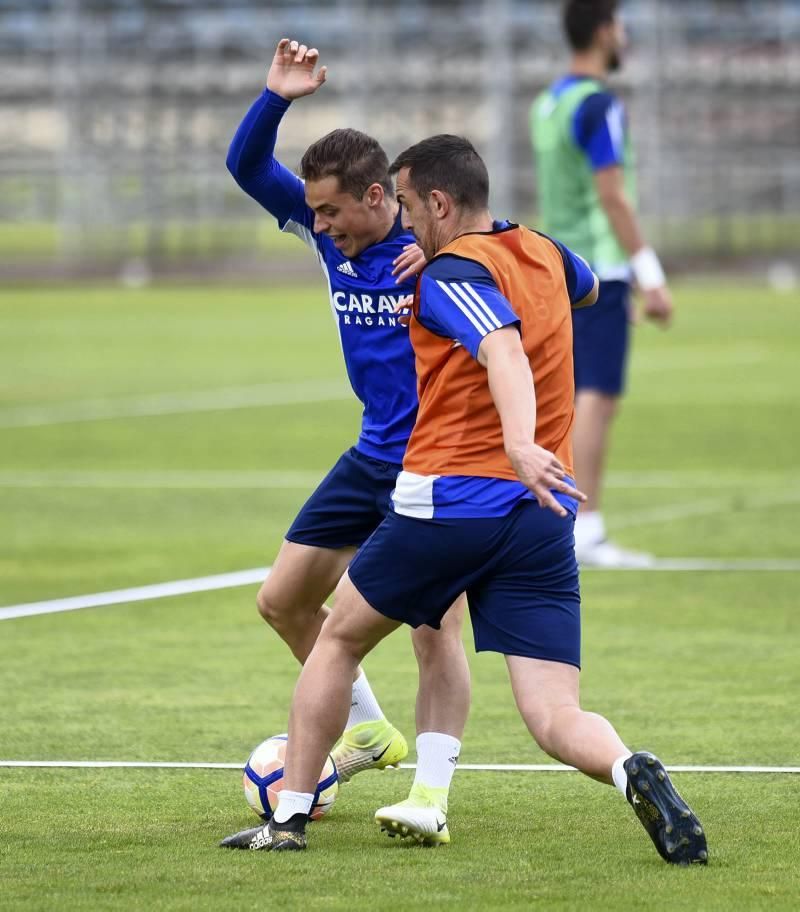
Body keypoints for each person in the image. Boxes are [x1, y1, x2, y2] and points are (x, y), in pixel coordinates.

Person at [220, 135, 708, 866]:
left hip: (447, 500)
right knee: (552, 713)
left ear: (440, 204)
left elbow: (501, 347)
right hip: (543, 512)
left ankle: (287, 816)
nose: (407, 225)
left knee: (339, 640)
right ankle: (630, 769)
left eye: (412, 207)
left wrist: (516, 436)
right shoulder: (540, 249)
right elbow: (589, 289)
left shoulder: (448, 276)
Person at [225, 39, 470, 802]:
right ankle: (370, 730)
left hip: (437, 461)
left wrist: (446, 258)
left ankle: (431, 796)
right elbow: (244, 167)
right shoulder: (328, 232)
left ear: (376, 196)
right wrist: (276, 99)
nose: (318, 224)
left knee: (435, 634)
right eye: (314, 210)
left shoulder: (434, 242)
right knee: (283, 601)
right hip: (370, 456)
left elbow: (511, 263)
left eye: (331, 209)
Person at [531, 0, 673, 567]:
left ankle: (563, 520)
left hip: (560, 266)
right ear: (603, 31)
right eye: (620, 25)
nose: (625, 35)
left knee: (570, 390)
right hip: (600, 267)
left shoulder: (548, 103)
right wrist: (650, 275)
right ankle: (584, 526)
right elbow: (611, 194)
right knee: (597, 395)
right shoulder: (598, 104)